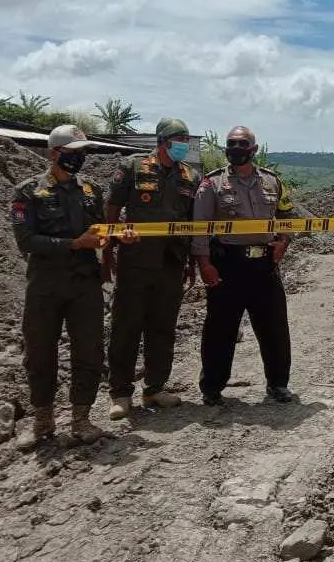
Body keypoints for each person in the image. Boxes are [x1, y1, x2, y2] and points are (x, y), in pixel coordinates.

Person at [11, 125, 136, 450]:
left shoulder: (91, 191)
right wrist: (73, 244)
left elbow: (100, 231)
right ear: (54, 153)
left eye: (82, 154)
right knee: (40, 353)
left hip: (85, 285)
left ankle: (81, 419)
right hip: (45, 285)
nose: (79, 159)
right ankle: (43, 421)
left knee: (89, 352)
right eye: (72, 154)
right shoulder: (28, 192)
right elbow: (26, 240)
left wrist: (120, 235)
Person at [192, 126, 308, 405]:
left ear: (254, 149)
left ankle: (278, 385)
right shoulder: (212, 184)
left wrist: (284, 241)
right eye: (231, 144)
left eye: (242, 144)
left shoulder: (272, 182)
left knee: (274, 328)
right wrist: (204, 264)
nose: (235, 149)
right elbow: (198, 228)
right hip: (227, 265)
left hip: (264, 265)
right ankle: (212, 387)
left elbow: (287, 215)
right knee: (221, 329)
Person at [103, 118, 201, 420]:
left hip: (171, 263)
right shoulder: (133, 167)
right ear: (163, 141)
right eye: (180, 139)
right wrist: (107, 250)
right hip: (136, 262)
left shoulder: (191, 176)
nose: (185, 144)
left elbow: (195, 223)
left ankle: (155, 388)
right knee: (126, 327)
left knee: (163, 328)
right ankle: (120, 393)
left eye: (186, 138)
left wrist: (192, 263)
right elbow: (112, 208)